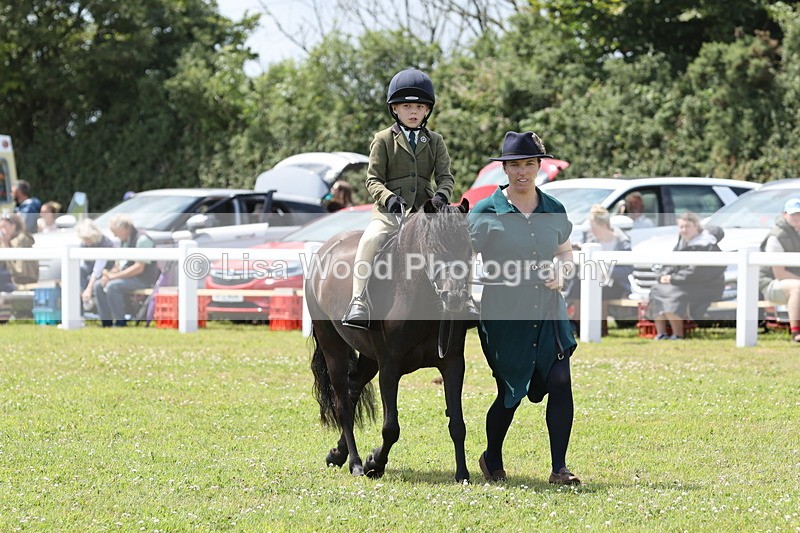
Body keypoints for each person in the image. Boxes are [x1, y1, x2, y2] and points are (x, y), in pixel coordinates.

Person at [468, 131, 580, 485]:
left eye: (529, 164)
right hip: (505, 314)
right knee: (510, 391)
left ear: (538, 166)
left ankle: (559, 468)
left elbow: (565, 251)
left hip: (548, 309)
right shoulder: (486, 210)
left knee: (561, 380)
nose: (522, 172)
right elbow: (463, 258)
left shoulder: (553, 208)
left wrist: (562, 272)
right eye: (514, 165)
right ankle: (492, 457)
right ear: (504, 168)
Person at [342, 68, 457, 329]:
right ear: (395, 109)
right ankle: (358, 300)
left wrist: (440, 196)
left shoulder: (436, 141)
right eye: (407, 106)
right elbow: (372, 179)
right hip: (390, 211)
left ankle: (464, 299)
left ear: (427, 110)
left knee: (455, 240)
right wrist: (389, 198)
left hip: (426, 212)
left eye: (419, 106)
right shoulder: (382, 139)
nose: (413, 112)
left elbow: (446, 177)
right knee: (370, 239)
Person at [646, 212, 725, 339]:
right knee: (657, 289)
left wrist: (673, 278)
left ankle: (678, 334)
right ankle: (662, 333)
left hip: (706, 287)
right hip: (684, 285)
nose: (684, 230)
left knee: (671, 293)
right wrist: (663, 275)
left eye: (687, 226)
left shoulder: (707, 246)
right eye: (681, 227)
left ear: (696, 227)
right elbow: (670, 265)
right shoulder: (681, 244)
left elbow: (698, 272)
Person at [564, 205, 632, 329]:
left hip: (615, 284)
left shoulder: (622, 241)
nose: (592, 231)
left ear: (603, 226)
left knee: (601, 290)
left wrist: (604, 271)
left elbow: (627, 269)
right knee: (577, 286)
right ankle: (579, 326)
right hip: (594, 280)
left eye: (594, 228)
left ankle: (600, 328)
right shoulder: (591, 240)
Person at [93, 214, 160, 327]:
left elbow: (139, 268)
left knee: (112, 286)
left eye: (115, 231)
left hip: (143, 279)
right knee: (98, 285)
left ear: (124, 228)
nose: (114, 235)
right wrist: (108, 275)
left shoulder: (142, 239)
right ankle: (106, 323)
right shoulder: (124, 240)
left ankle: (120, 322)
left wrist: (113, 277)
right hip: (128, 278)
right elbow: (119, 265)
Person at [759, 198, 800, 343]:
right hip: (771, 284)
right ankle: (796, 333)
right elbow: (779, 274)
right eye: (794, 214)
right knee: (797, 288)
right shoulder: (776, 237)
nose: (797, 217)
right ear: (785, 214)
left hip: (792, 280)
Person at [75, 218, 116, 313]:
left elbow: (98, 270)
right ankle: (79, 312)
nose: (86, 242)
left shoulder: (105, 243)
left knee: (95, 284)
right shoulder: (84, 244)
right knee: (79, 273)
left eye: (87, 239)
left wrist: (88, 289)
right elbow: (82, 264)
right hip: (89, 272)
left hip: (105, 272)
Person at [0, 213, 39, 288]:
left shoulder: (22, 239)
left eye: (4, 226)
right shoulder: (4, 241)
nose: (2, 231)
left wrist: (5, 244)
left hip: (23, 281)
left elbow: (19, 270)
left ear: (14, 226)